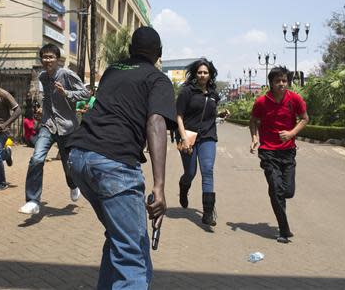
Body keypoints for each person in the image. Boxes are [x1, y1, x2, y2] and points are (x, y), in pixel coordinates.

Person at [66, 26, 176, 289]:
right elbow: (156, 122)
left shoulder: (112, 71)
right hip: (113, 164)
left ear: (129, 50)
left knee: (119, 238)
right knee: (133, 257)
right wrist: (159, 187)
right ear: (159, 53)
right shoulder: (158, 79)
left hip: (78, 157)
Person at [18, 43, 90, 215]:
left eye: (51, 57)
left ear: (58, 59)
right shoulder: (42, 77)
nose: (47, 60)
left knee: (68, 165)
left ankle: (73, 185)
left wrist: (67, 93)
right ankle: (33, 200)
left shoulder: (66, 74)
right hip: (48, 125)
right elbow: (47, 98)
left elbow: (86, 94)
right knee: (36, 159)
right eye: (44, 57)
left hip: (67, 126)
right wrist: (43, 109)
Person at [249, 66, 309, 243]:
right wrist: (254, 137)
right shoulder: (261, 102)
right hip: (268, 151)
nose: (281, 84)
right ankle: (284, 230)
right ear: (271, 83)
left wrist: (291, 133)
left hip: (288, 151)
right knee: (276, 189)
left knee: (287, 191)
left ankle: (276, 194)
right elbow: (253, 121)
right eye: (277, 81)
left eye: (284, 80)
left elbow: (305, 118)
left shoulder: (294, 99)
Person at [176, 58, 226, 226]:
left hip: (208, 137)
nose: (203, 75)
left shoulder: (213, 94)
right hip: (188, 135)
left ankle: (208, 213)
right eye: (200, 72)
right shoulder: (186, 92)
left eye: (206, 72)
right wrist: (183, 138)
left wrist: (220, 116)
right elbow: (179, 116)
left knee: (208, 171)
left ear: (210, 74)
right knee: (190, 172)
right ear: (195, 74)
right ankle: (184, 187)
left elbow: (209, 115)